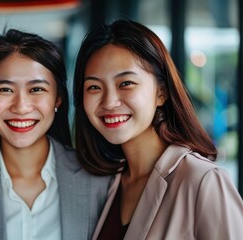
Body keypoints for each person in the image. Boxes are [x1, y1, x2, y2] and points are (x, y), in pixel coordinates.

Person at [73, 19, 243, 240]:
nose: (109, 101)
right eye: (94, 87)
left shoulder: (203, 180)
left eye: (126, 83)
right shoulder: (109, 184)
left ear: (161, 92)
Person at [0, 29, 110, 240]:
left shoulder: (100, 181)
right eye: (5, 90)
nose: (21, 106)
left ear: (57, 99)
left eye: (36, 89)